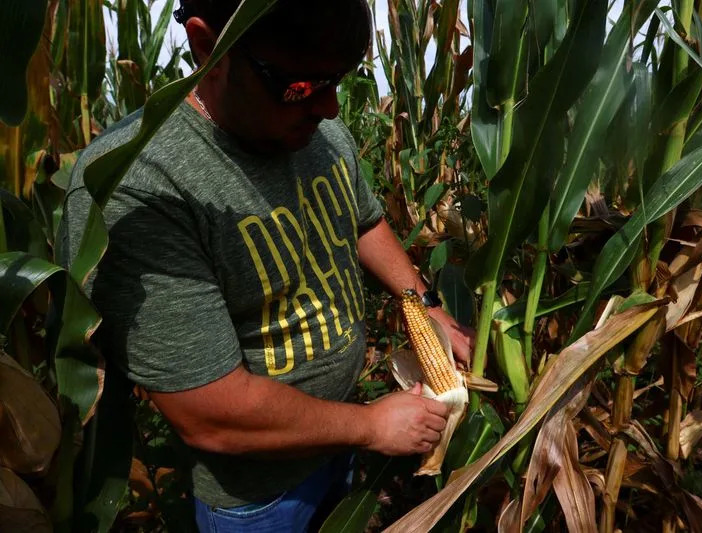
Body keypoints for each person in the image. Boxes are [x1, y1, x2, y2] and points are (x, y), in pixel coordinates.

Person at [57, 0, 474, 531]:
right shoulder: (139, 187)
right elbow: (210, 413)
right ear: (208, 47)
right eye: (300, 87)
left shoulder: (310, 128)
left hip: (343, 444)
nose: (331, 108)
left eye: (337, 81)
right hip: (260, 498)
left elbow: (362, 219)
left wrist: (424, 304)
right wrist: (371, 427)